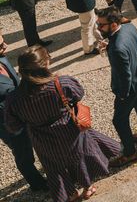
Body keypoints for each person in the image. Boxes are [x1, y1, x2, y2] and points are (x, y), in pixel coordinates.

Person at [5, 46, 121, 201]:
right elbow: (79, 94)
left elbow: (13, 126)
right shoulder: (61, 83)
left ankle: (69, 194)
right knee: (78, 157)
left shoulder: (13, 99)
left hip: (41, 138)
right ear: (45, 64)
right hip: (69, 130)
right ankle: (87, 187)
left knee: (53, 167)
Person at [97, 8, 137, 168]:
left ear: (114, 24)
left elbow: (125, 77)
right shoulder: (129, 27)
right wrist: (110, 46)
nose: (98, 28)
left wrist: (122, 95)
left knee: (119, 120)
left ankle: (130, 154)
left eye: (101, 25)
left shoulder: (117, 49)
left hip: (129, 87)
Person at [0, 34, 49, 193]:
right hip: (6, 122)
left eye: (3, 41)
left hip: (23, 113)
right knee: (22, 153)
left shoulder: (2, 57)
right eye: (1, 45)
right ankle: (37, 184)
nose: (6, 46)